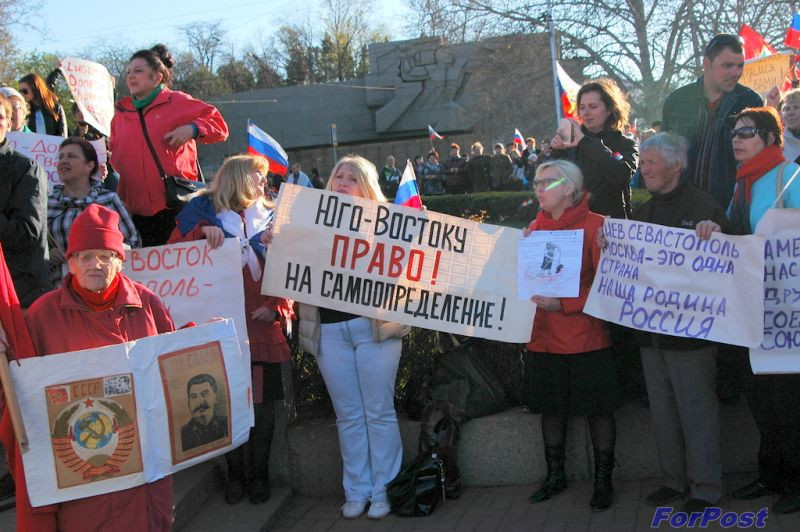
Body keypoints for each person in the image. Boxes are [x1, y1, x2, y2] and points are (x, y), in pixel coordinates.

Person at [23, 203, 175, 531]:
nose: (96, 265)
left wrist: (206, 342)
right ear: (71, 261)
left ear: (120, 260)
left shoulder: (147, 303)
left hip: (145, 474)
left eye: (106, 256)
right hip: (83, 477)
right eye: (86, 256)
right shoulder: (41, 316)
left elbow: (171, 364)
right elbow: (22, 393)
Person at [274, 155, 409, 519]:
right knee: (348, 414)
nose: (342, 182)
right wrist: (278, 242)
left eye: (351, 177)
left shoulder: (389, 223)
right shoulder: (310, 223)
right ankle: (357, 490)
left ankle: (385, 488)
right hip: (329, 331)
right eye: (338, 176)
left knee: (378, 412)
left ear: (366, 185)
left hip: (375, 328)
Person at [171, 154, 293, 505]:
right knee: (221, 403)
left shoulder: (273, 216)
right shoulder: (199, 213)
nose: (263, 185)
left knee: (263, 405)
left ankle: (260, 476)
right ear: (239, 178)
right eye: (257, 177)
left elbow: (295, 268)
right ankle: (235, 476)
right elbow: (170, 263)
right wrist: (197, 234)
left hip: (260, 325)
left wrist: (278, 306)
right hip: (219, 328)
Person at [696, 107, 800, 514]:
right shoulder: (742, 185)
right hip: (749, 310)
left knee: (788, 400)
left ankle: (795, 481)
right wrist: (715, 231)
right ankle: (770, 474)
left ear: (771, 138)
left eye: (748, 133)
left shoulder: (789, 177)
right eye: (735, 134)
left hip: (785, 312)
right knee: (761, 399)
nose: (738, 140)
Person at [627, 133, 728, 514]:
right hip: (651, 336)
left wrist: (718, 236)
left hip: (691, 339)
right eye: (643, 162)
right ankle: (673, 481)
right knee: (664, 413)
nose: (644, 169)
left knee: (697, 411)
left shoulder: (704, 207)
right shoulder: (643, 212)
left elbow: (729, 263)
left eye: (651, 161)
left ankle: (706, 487)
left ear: (676, 164)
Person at [522, 159, 620, 512]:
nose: (538, 188)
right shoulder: (534, 227)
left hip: (585, 337)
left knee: (598, 412)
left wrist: (564, 304)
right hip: (544, 337)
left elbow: (606, 286)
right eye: (535, 182)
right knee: (551, 410)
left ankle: (603, 481)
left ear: (569, 188)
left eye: (545, 182)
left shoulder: (598, 227)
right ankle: (554, 476)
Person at [110, 44, 229, 247]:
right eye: (128, 72)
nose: (131, 76)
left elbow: (220, 126)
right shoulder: (121, 113)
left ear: (156, 77)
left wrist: (193, 129)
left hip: (177, 210)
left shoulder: (177, 101)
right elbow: (115, 157)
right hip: (133, 217)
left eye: (138, 71)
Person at [661, 34, 762, 208]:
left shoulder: (751, 102)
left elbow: (759, 161)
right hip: (681, 208)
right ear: (707, 64)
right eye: (727, 66)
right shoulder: (677, 101)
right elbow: (663, 155)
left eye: (740, 66)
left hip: (730, 209)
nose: (736, 73)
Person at [48, 137, 139, 284]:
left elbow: (133, 242)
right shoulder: (49, 204)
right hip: (61, 290)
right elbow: (35, 248)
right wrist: (48, 253)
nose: (63, 161)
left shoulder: (109, 199)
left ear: (89, 165)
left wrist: (110, 249)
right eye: (61, 157)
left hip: (104, 288)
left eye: (71, 156)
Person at [549, 78, 638, 219]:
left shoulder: (625, 144)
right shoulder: (569, 144)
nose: (586, 113)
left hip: (610, 227)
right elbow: (546, 183)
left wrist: (585, 142)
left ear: (609, 109)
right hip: (573, 225)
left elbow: (622, 174)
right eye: (582, 107)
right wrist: (555, 151)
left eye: (593, 106)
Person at [0, 94, 51, 308]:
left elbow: (26, 232)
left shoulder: (26, 169)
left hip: (18, 297)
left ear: (9, 124)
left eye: (0, 117)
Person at [180, 373, 229, 451]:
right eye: (193, 396)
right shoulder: (182, 435)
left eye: (205, 394)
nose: (199, 402)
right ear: (188, 403)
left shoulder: (227, 423)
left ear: (216, 398)